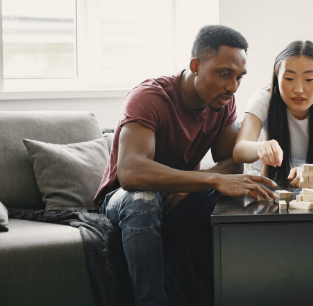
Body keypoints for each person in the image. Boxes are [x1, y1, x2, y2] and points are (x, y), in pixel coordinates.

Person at [92, 25, 278, 306]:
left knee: (247, 195)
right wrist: (206, 180)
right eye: (224, 73)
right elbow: (130, 172)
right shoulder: (150, 97)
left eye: (239, 77)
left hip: (182, 195)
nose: (233, 87)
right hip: (124, 198)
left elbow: (231, 162)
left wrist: (195, 185)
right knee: (144, 201)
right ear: (196, 66)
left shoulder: (223, 101)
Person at [233, 40, 313, 189]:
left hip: (307, 190)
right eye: (289, 78)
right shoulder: (263, 99)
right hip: (264, 183)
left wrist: (311, 174)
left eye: (309, 79)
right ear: (277, 78)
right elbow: (239, 150)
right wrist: (260, 147)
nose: (298, 89)